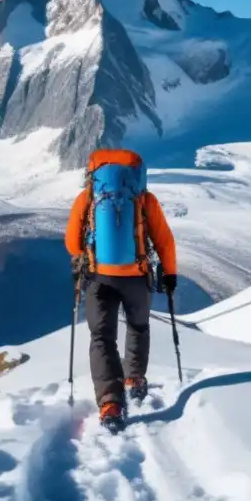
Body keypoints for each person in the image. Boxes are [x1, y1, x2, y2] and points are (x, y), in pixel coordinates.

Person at [65, 148, 177, 427]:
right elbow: (164, 240)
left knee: (102, 338)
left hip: (99, 277)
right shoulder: (145, 199)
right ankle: (134, 379)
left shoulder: (88, 197)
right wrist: (170, 273)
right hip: (136, 276)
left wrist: (84, 259)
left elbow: (72, 241)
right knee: (138, 327)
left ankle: (110, 403)